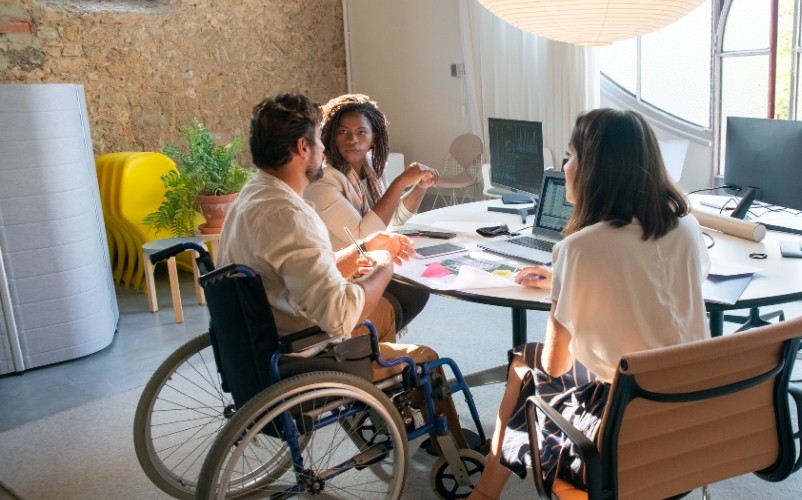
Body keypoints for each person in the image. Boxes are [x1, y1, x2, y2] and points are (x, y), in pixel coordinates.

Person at [467, 108, 711, 498]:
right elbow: (661, 293)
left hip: (619, 426)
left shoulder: (579, 249)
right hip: (693, 409)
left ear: (594, 170)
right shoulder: (687, 227)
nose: (564, 167)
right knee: (536, 362)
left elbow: (556, 365)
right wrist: (571, 283)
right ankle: (485, 492)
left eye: (571, 156)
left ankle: (484, 493)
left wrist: (566, 287)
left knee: (525, 362)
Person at [218, 92, 465, 445]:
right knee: (429, 359)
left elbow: (299, 268)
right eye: (321, 139)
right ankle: (456, 454)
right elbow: (340, 316)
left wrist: (363, 248)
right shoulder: (291, 215)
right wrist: (382, 265)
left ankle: (393, 412)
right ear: (303, 147)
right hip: (307, 353)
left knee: (394, 302)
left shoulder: (253, 195)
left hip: (259, 341)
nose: (324, 149)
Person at [304, 93, 437, 336]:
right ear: (330, 135)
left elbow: (391, 219)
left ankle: (375, 342)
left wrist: (419, 188)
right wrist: (400, 182)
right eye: (343, 132)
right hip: (340, 276)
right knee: (401, 295)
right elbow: (364, 235)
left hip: (365, 265)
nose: (352, 140)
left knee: (417, 286)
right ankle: (365, 341)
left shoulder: (370, 171)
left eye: (361, 132)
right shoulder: (323, 180)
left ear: (374, 138)